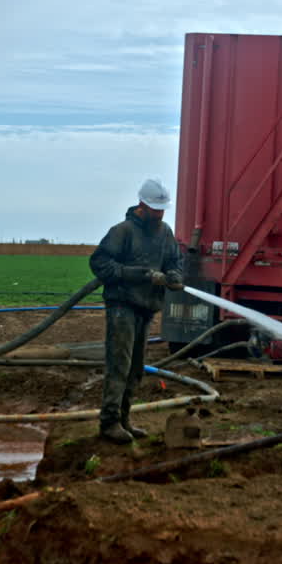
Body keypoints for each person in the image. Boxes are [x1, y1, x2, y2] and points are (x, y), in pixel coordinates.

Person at [89, 178, 184, 444]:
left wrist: (174, 275)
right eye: (155, 208)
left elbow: (175, 260)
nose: (160, 213)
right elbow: (100, 263)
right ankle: (109, 423)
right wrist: (137, 275)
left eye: (162, 209)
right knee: (120, 364)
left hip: (146, 307)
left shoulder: (164, 232)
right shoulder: (123, 231)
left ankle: (125, 419)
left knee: (136, 367)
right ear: (142, 204)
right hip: (122, 305)